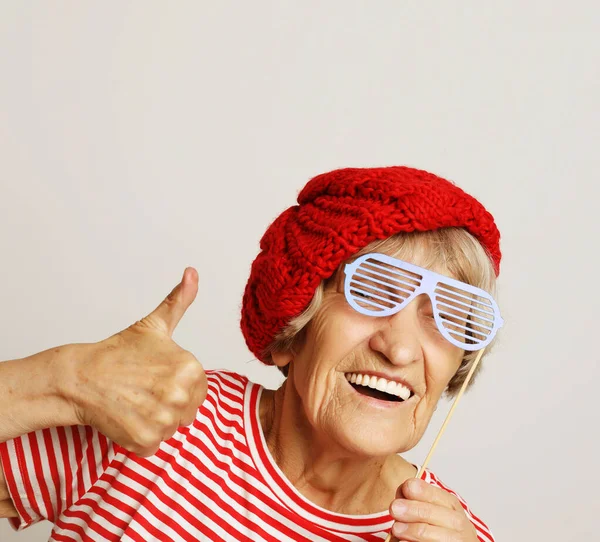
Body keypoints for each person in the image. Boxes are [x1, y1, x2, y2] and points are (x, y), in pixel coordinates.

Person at [0, 166, 501, 541]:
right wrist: (61, 379)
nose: (400, 348)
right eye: (371, 291)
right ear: (293, 329)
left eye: (449, 314)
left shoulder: (456, 535)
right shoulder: (160, 421)